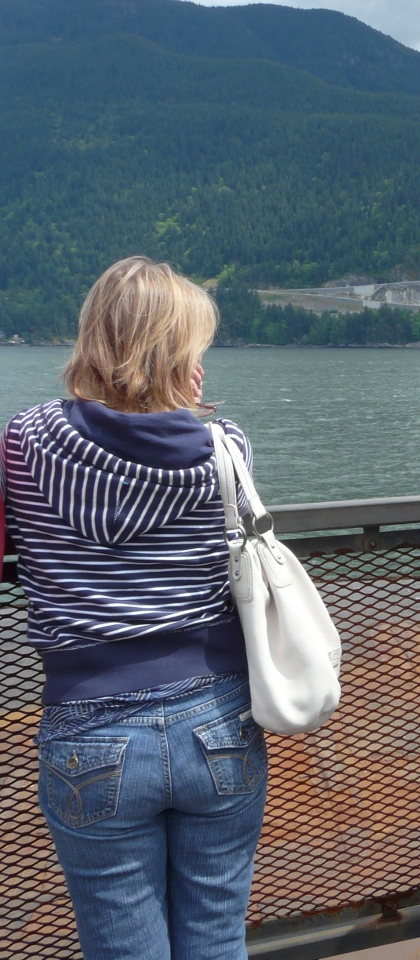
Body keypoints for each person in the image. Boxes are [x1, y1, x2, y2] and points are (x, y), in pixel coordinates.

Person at [1, 256, 265, 960]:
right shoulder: (224, 447)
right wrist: (186, 411)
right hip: (217, 716)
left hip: (90, 727)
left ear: (95, 336)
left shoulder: (24, 440)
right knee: (215, 935)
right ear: (183, 353)